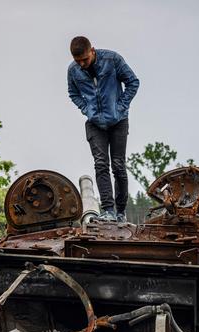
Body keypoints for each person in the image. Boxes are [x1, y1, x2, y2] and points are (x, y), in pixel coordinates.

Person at [67, 36, 140, 223]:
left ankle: (120, 212)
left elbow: (133, 82)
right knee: (101, 164)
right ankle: (108, 210)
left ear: (92, 50)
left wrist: (121, 107)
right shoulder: (73, 70)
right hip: (94, 123)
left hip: (118, 121)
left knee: (118, 165)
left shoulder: (112, 59)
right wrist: (86, 109)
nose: (82, 64)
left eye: (85, 59)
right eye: (78, 61)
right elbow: (73, 93)